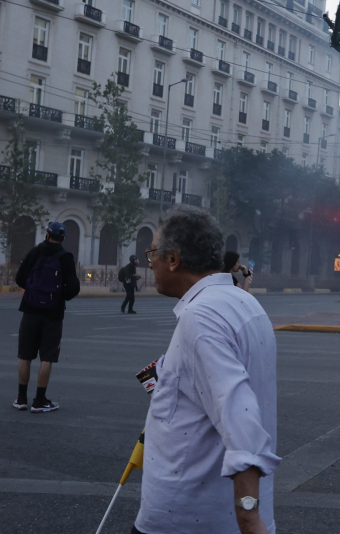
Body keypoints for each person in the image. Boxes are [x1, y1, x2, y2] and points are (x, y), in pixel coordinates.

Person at [135, 206, 279, 534]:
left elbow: (242, 419)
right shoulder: (245, 303)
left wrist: (250, 519)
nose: (150, 263)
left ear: (173, 259)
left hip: (186, 519)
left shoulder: (200, 317)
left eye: (153, 253)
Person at [13, 222, 81, 413]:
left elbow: (19, 278)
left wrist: (34, 292)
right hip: (53, 313)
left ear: (47, 234)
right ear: (63, 238)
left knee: (25, 356)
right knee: (47, 357)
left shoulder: (34, 252)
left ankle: (21, 399)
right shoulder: (66, 257)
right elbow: (74, 288)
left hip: (30, 310)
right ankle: (40, 400)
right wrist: (58, 297)